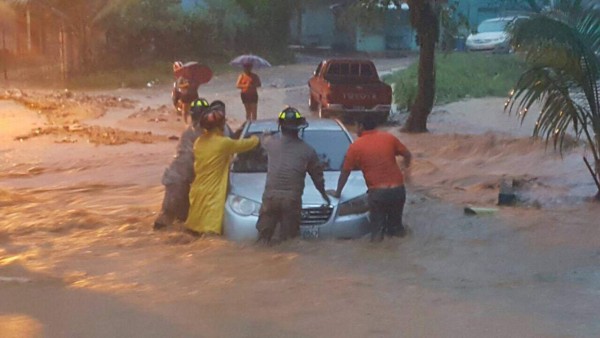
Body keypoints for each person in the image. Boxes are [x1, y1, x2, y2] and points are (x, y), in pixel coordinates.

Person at [330, 116, 412, 241]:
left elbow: (345, 173)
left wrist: (337, 192)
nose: (356, 128)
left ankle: (377, 256)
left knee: (377, 231)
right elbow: (407, 155)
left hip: (378, 193)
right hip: (398, 190)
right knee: (396, 229)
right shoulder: (389, 138)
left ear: (361, 126)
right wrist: (405, 170)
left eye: (357, 125)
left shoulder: (355, 147)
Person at [256, 107, 331, 244]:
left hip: (270, 198)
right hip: (291, 200)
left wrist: (265, 134)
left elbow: (263, 139)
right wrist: (324, 195)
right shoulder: (308, 151)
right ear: (299, 127)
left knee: (263, 238)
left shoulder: (271, 143)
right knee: (289, 242)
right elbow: (317, 177)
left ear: (280, 126)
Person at [185, 106, 260, 236]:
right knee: (210, 232)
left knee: (195, 228)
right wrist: (258, 138)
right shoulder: (223, 143)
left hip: (197, 190)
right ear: (221, 125)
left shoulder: (198, 142)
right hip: (213, 193)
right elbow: (245, 145)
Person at [154, 98, 211, 231]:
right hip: (179, 181)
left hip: (178, 179)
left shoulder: (190, 131)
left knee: (178, 219)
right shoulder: (199, 133)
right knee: (168, 218)